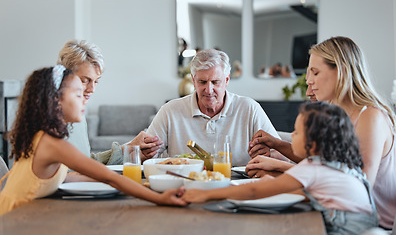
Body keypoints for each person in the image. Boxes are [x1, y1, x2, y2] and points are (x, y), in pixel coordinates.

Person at [247, 36, 395, 229]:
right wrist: (277, 144)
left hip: (370, 226)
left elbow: (356, 185)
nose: (308, 80)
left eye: (315, 73)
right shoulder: (338, 113)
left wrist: (281, 168)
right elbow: (327, 165)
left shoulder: (370, 117)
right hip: (337, 214)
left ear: (341, 72)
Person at [0, 66, 186, 215]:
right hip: (13, 219)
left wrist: (133, 182)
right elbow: (108, 177)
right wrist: (158, 198)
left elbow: (66, 176)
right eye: (78, 94)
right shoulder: (53, 144)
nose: (84, 101)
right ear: (55, 100)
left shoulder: (42, 136)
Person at [182, 102, 378, 234]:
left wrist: (204, 195)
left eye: (298, 132)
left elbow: (252, 190)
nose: (291, 135)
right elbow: (322, 194)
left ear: (315, 142)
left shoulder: (313, 167)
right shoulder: (339, 164)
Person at [145, 49, 279, 166]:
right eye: (202, 82)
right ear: (193, 80)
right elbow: (144, 155)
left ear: (227, 80)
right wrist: (144, 152)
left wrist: (269, 155)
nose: (209, 90)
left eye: (215, 82)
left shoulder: (250, 108)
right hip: (185, 186)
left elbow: (283, 155)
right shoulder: (169, 110)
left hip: (239, 185)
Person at [58, 39, 162, 165]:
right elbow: (70, 172)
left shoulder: (79, 113)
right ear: (64, 76)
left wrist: (129, 148)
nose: (92, 89)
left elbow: (86, 161)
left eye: (96, 81)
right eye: (85, 80)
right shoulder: (50, 117)